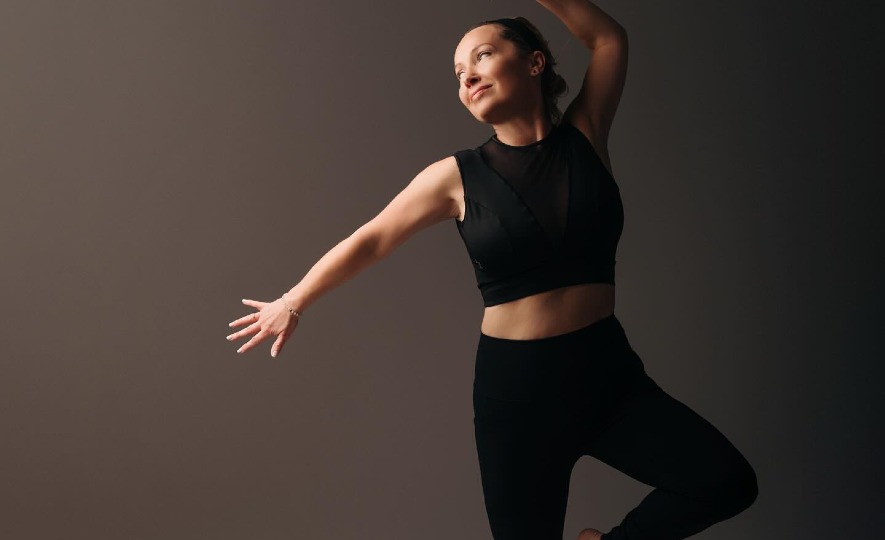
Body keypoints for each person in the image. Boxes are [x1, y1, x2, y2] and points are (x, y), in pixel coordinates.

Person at [226, 1, 758, 538]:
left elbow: (608, 38)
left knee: (725, 481)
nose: (468, 77)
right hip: (518, 394)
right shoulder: (455, 176)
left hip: (607, 374)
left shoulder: (586, 134)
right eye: (459, 73)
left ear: (535, 62)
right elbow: (372, 239)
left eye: (482, 56)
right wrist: (293, 300)